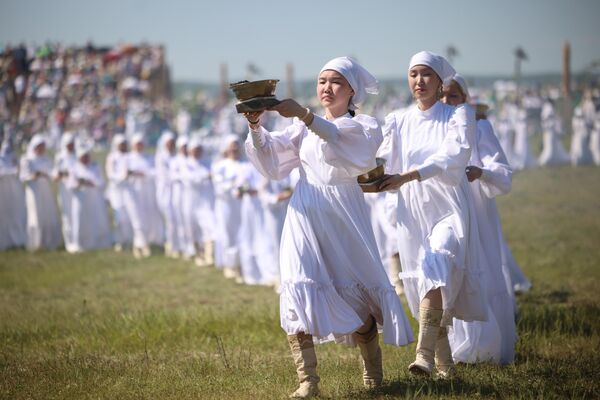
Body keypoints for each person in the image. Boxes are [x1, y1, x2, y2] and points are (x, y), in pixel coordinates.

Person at [244, 56, 413, 398]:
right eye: (322, 81)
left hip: (343, 213)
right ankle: (308, 381)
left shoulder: (364, 125)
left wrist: (305, 115)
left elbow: (349, 146)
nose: (327, 88)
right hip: (304, 209)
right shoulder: (304, 129)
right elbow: (273, 161)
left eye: (335, 82)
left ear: (352, 89)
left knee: (355, 295)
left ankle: (373, 374)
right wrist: (255, 125)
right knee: (296, 282)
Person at [377, 51, 486, 378]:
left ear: (440, 82)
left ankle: (423, 355)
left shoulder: (458, 115)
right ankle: (446, 367)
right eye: (413, 74)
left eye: (426, 74)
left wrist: (409, 175)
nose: (419, 81)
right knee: (426, 281)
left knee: (437, 263)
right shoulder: (397, 119)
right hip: (412, 209)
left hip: (448, 204)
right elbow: (386, 164)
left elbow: (453, 156)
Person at [441, 74, 517, 364]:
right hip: (444, 208)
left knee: (479, 264)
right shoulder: (434, 126)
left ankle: (485, 343)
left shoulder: (480, 127)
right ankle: (451, 343)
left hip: (475, 206)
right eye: (443, 97)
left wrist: (480, 172)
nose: (447, 102)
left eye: (454, 97)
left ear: (465, 99)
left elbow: (501, 170)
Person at [68, 140, 112, 251]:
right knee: (81, 220)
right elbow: (71, 184)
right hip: (80, 199)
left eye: (87, 156)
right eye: (83, 157)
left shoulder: (95, 166)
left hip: (95, 199)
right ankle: (81, 243)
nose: (85, 158)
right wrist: (80, 183)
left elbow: (101, 182)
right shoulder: (74, 168)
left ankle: (98, 242)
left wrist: (91, 183)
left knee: (97, 220)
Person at [19, 134, 62, 250]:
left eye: (43, 146)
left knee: (48, 214)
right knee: (36, 215)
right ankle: (35, 242)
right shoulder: (27, 159)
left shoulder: (46, 159)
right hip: (34, 191)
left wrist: (56, 175)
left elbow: (52, 172)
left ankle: (49, 241)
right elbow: (24, 176)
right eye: (40, 146)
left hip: (45, 190)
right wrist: (36, 175)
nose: (42, 148)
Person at [212, 135, 244, 282]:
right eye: (232, 145)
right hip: (226, 205)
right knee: (228, 234)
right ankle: (230, 265)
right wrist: (233, 187)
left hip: (243, 205)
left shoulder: (246, 164)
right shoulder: (220, 166)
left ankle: (241, 264)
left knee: (242, 233)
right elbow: (219, 187)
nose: (234, 148)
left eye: (236, 145)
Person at [183, 137, 216, 267]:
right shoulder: (186, 164)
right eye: (195, 150)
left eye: (199, 149)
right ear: (190, 151)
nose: (197, 152)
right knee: (193, 229)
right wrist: (205, 176)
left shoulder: (207, 162)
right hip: (191, 202)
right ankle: (199, 255)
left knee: (211, 227)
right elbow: (190, 179)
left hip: (206, 202)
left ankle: (209, 255)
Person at [105, 134, 133, 251]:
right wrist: (123, 177)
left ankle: (129, 239)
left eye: (124, 144)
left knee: (130, 215)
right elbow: (111, 174)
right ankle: (118, 240)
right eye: (121, 144)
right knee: (118, 216)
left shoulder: (130, 156)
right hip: (116, 191)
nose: (123, 146)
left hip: (129, 190)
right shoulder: (112, 158)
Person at [0, 134, 27, 250]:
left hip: (16, 193)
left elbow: (21, 174)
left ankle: (18, 240)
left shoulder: (16, 159)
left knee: (17, 215)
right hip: (3, 192)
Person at [52, 132, 77, 252]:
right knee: (67, 215)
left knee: (77, 214)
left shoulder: (77, 155)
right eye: (68, 144)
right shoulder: (60, 157)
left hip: (77, 190)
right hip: (65, 190)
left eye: (72, 144)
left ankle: (78, 239)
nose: (70, 146)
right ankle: (69, 242)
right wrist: (62, 174)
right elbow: (55, 174)